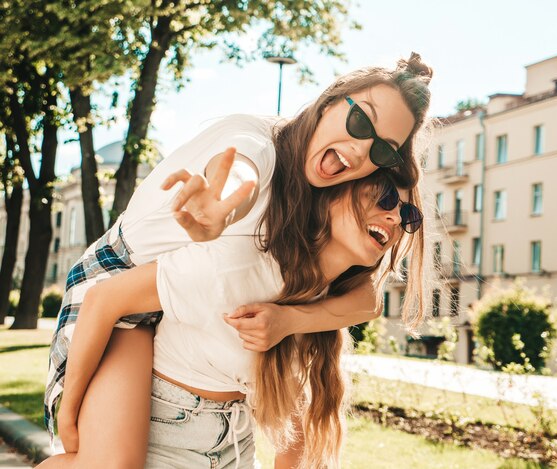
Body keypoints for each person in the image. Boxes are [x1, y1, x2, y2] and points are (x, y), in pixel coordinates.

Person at [42, 52, 433, 466]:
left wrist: (289, 321)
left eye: (384, 151)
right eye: (360, 122)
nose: (360, 149)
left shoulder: (307, 215)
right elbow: (238, 169)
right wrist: (222, 209)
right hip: (117, 280)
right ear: (331, 100)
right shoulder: (261, 145)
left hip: (169, 309)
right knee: (111, 464)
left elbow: (367, 300)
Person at [42, 171, 424, 469]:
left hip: (232, 446)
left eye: (408, 214)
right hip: (159, 431)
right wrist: (69, 416)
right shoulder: (244, 262)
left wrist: (290, 320)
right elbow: (104, 298)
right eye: (384, 197)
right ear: (333, 196)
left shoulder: (326, 305)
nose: (394, 216)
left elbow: (297, 432)